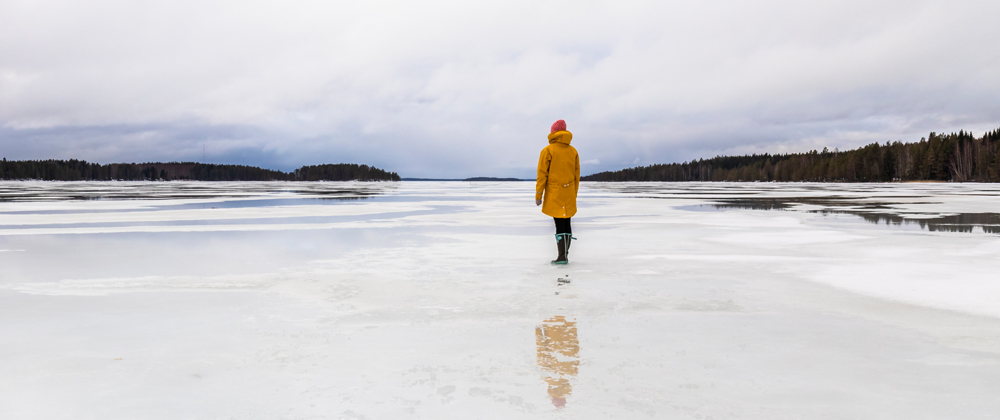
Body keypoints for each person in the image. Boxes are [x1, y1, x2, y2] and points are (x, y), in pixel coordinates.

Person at [535, 119, 580, 264]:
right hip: (569, 193)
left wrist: (538, 195)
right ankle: (564, 255)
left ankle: (562, 256)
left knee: (559, 223)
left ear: (553, 132)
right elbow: (576, 175)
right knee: (567, 222)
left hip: (555, 193)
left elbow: (542, 174)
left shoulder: (548, 150)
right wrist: (574, 193)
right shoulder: (573, 151)